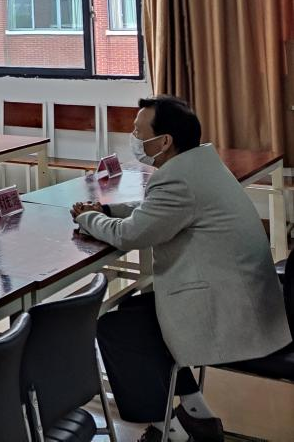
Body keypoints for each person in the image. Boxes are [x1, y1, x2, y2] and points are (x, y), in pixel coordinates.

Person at [72, 97, 290, 442]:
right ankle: (197, 415)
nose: (133, 137)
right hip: (244, 297)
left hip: (226, 310)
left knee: (115, 329)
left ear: (164, 141)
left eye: (139, 132)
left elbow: (131, 235)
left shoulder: (177, 181)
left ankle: (168, 433)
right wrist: (108, 210)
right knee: (131, 313)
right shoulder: (199, 165)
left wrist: (88, 218)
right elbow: (154, 211)